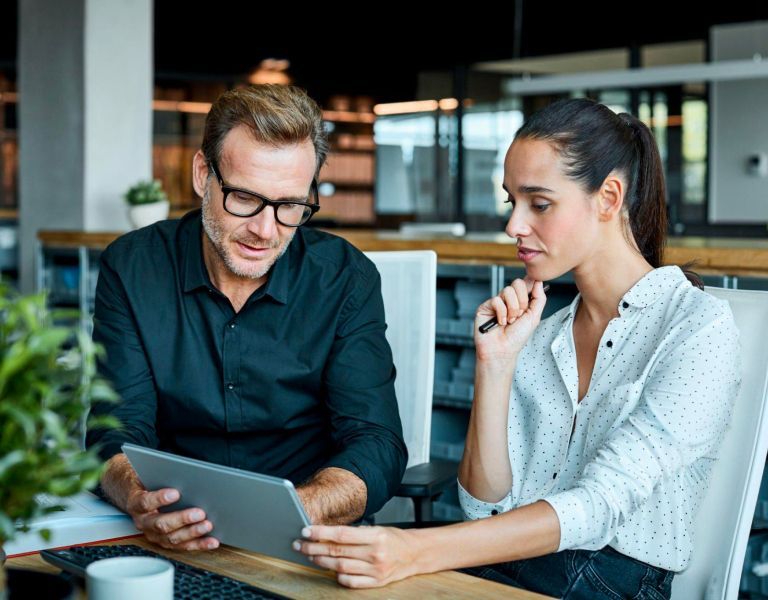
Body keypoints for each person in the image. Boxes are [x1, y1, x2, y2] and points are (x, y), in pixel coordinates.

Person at [294, 98, 741, 599]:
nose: (513, 227)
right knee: (330, 578)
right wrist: (496, 365)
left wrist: (416, 551)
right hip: (522, 565)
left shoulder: (697, 327)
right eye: (513, 202)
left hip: (613, 582)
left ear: (609, 197)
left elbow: (599, 507)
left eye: (540, 203)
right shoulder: (543, 334)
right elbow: (483, 508)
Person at [86, 84, 408, 552]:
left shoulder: (345, 279)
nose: (264, 230)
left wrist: (296, 510)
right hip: (170, 533)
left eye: (290, 206)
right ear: (203, 175)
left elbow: (376, 442)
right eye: (243, 197)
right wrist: (139, 497)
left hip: (305, 537)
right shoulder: (133, 267)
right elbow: (115, 430)